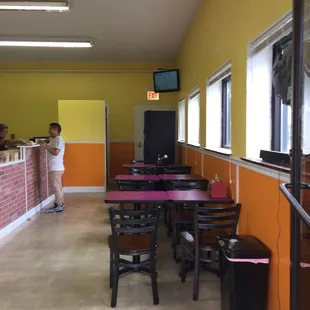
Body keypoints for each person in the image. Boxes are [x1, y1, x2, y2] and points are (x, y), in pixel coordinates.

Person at [41, 123, 65, 214]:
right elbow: (49, 140)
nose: (49, 131)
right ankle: (58, 204)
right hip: (56, 167)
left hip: (56, 167)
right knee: (58, 187)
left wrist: (46, 147)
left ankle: (59, 206)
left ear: (55, 129)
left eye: (50, 129)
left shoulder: (59, 139)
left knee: (56, 187)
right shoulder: (54, 139)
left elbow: (56, 152)